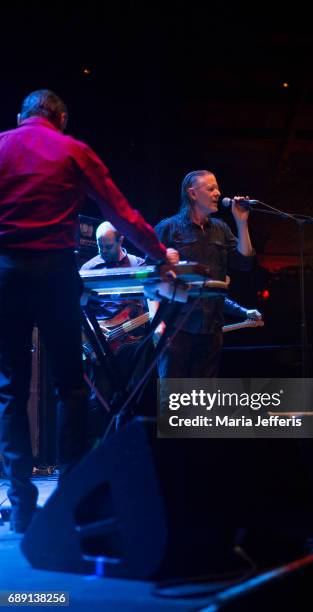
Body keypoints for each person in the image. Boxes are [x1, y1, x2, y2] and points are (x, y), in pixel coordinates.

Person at [0, 89, 178, 533]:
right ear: (60, 118)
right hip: (56, 272)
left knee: (10, 389)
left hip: (5, 274)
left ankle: (21, 508)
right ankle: (71, 500)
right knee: (70, 385)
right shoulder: (73, 149)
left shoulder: (1, 144)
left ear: (22, 115)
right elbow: (119, 212)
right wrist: (159, 254)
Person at [152, 169, 254, 378]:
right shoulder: (168, 228)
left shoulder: (221, 228)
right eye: (211, 188)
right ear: (193, 193)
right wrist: (157, 321)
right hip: (176, 326)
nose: (218, 193)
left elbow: (244, 262)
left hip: (211, 326)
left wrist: (242, 222)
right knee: (175, 398)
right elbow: (152, 277)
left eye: (217, 187)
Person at [80, 221, 151, 438]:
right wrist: (91, 334)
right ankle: (98, 449)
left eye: (108, 247)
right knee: (99, 399)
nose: (103, 252)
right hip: (101, 342)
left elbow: (150, 302)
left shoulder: (138, 265)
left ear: (121, 240)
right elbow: (77, 309)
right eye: (100, 247)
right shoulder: (89, 268)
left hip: (133, 344)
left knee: (133, 397)